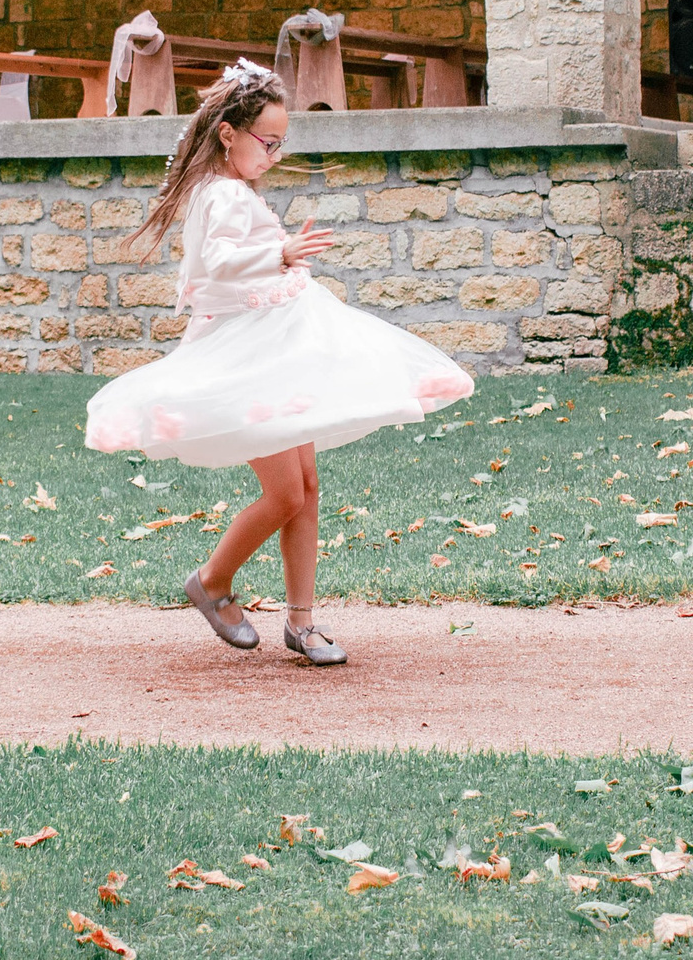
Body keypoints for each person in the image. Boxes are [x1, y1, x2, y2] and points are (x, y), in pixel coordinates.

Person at [85, 59, 474, 665]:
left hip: (279, 349)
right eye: (266, 142)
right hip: (249, 360)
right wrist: (282, 252)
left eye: (279, 143)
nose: (272, 153)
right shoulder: (220, 194)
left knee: (308, 487)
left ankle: (301, 623)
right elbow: (212, 265)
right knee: (288, 493)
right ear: (228, 134)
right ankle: (212, 581)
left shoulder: (235, 191)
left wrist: (280, 255)